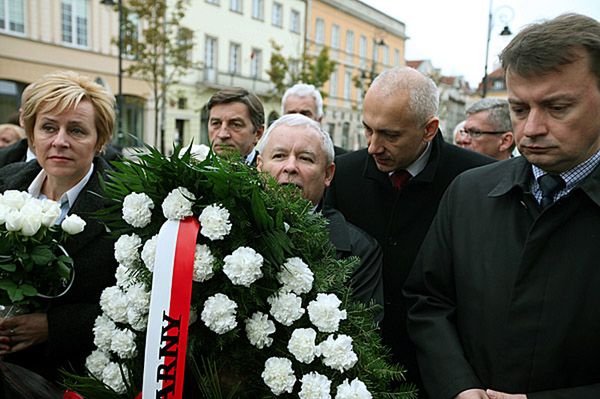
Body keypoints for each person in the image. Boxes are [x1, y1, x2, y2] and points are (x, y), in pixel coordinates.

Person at [404, 13, 600, 399]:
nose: (531, 129)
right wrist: (458, 386)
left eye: (557, 108)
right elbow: (427, 302)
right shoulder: (469, 193)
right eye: (519, 109)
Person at [324, 66, 493, 394]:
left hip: (445, 374)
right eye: (367, 129)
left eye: (390, 134)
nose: (373, 146)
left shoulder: (475, 180)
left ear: (429, 129)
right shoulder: (343, 175)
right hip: (356, 367)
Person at [0, 70, 118, 382]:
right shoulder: (6, 182)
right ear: (32, 133)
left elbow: (133, 303)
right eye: (48, 128)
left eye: (77, 130)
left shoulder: (123, 206)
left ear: (100, 140)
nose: (59, 141)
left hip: (73, 376)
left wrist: (54, 326)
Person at [256, 113, 383, 311]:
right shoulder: (232, 229)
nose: (290, 167)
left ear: (328, 174)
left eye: (305, 158)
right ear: (259, 166)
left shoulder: (359, 251)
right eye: (279, 156)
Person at [281, 83, 347, 156]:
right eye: (292, 114)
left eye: (305, 114)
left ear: (319, 120)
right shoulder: (269, 155)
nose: (298, 120)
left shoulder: (341, 160)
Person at [206, 87, 264, 166]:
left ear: (258, 133)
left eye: (235, 125)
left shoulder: (270, 174)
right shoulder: (193, 173)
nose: (222, 135)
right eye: (216, 123)